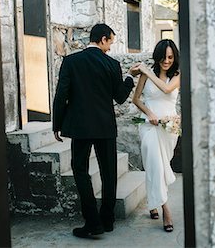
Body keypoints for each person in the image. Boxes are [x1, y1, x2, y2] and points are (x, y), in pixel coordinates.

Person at [52, 23, 140, 238]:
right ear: (102, 39)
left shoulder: (71, 61)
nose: (110, 47)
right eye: (110, 41)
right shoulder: (111, 64)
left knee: (80, 170)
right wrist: (129, 77)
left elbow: (61, 93)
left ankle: (92, 222)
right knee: (109, 173)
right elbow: (119, 97)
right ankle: (107, 220)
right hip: (105, 126)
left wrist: (57, 124)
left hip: (80, 127)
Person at [132, 39, 180, 232]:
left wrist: (147, 71)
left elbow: (167, 89)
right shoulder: (146, 75)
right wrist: (149, 113)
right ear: (157, 56)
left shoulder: (177, 75)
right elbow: (136, 99)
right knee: (155, 165)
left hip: (169, 128)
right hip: (149, 126)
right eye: (163, 57)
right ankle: (165, 210)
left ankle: (152, 202)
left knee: (160, 165)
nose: (166, 61)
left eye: (170, 57)